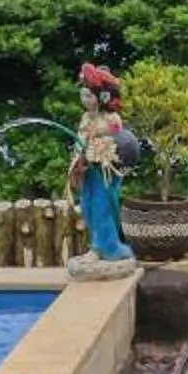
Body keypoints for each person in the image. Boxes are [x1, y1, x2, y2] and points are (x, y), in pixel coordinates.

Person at [67, 63, 134, 273]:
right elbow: (79, 141)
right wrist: (78, 160)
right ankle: (98, 245)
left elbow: (120, 144)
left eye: (89, 96)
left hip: (106, 171)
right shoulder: (86, 117)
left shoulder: (112, 119)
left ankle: (103, 248)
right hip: (88, 170)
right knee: (87, 206)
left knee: (101, 207)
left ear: (102, 97)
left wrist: (102, 151)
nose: (84, 100)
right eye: (83, 95)